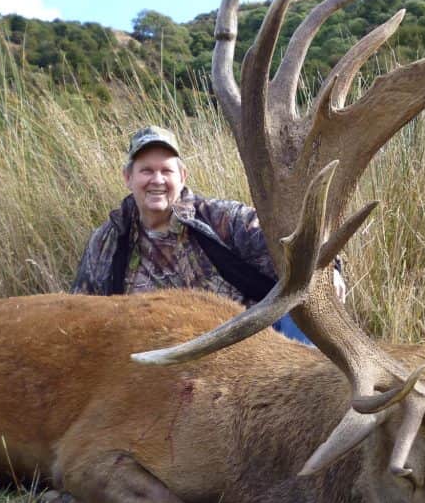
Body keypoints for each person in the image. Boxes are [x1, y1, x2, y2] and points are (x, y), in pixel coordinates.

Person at [71, 125, 345, 343]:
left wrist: (328, 269)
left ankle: (303, 399)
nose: (157, 180)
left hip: (245, 346)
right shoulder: (107, 242)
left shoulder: (222, 218)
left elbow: (295, 243)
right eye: (146, 171)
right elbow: (82, 315)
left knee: (308, 299)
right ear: (128, 178)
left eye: (166, 170)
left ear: (183, 176)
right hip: (155, 362)